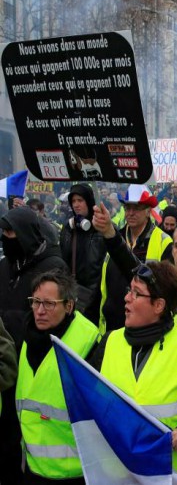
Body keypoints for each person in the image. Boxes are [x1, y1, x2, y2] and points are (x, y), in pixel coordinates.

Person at [88, 261, 177, 481]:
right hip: (120, 470)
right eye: (128, 291)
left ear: (159, 305)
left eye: (137, 293)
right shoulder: (109, 342)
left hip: (173, 471)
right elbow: (88, 395)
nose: (127, 298)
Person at [0, 207, 68, 485]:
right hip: (6, 364)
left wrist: (7, 320)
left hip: (36, 363)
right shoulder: (5, 266)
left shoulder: (52, 268)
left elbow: (52, 318)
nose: (6, 238)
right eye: (3, 233)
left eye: (11, 232)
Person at [16, 270, 100, 485]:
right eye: (35, 302)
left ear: (69, 306)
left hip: (74, 473)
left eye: (49, 304)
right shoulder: (28, 338)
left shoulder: (88, 341)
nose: (40, 311)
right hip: (33, 468)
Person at [92, 186, 173, 333]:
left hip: (144, 330)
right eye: (127, 207)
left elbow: (163, 291)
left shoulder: (164, 242)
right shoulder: (113, 237)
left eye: (136, 208)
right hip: (111, 328)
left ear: (148, 211)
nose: (130, 213)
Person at [58, 184, 106, 317]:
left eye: (80, 200)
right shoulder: (68, 229)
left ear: (89, 202)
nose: (76, 205)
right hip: (74, 293)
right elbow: (62, 262)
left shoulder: (103, 229)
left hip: (97, 295)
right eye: (73, 201)